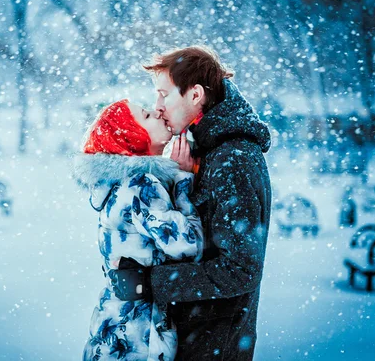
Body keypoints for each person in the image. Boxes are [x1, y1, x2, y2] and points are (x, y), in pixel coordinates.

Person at [110, 46, 272, 360]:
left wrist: (150, 282)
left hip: (212, 343)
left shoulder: (234, 159)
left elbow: (241, 270)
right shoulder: (209, 147)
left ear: (195, 94)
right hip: (197, 333)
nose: (157, 108)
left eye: (163, 95)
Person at [74, 99, 204, 360]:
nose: (157, 111)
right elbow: (190, 244)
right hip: (137, 336)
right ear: (133, 137)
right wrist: (182, 180)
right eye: (146, 115)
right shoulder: (140, 185)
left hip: (114, 325)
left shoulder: (117, 183)